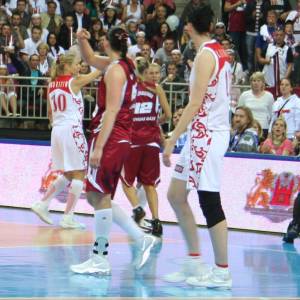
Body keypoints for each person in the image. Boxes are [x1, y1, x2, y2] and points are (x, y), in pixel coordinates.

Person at [70, 27, 158, 275]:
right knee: (98, 196)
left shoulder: (116, 71)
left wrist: (98, 147)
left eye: (102, 39)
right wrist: (80, 40)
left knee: (99, 196)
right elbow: (89, 59)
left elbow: (111, 111)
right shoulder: (122, 63)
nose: (99, 41)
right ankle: (139, 238)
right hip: (118, 137)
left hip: (110, 136)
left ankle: (100, 258)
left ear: (108, 43)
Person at [162, 5, 232, 289]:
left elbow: (195, 102)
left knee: (209, 201)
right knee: (176, 195)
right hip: (201, 133)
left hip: (210, 134)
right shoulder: (216, 50)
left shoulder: (206, 55)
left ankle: (222, 271)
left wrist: (171, 138)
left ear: (188, 25)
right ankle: (194, 260)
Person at [31, 53, 101, 229]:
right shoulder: (74, 82)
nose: (79, 67)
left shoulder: (52, 84)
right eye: (77, 64)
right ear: (67, 66)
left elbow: (49, 113)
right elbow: (98, 71)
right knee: (79, 173)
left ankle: (43, 204)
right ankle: (68, 217)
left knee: (69, 173)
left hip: (57, 130)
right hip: (72, 129)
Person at [121, 57, 171, 237]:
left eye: (156, 72)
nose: (154, 75)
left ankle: (137, 210)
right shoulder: (157, 89)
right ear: (145, 73)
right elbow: (169, 114)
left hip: (133, 141)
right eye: (151, 72)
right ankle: (156, 221)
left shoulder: (130, 89)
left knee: (126, 181)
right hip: (150, 142)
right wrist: (154, 122)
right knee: (150, 185)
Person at [238, 71, 274, 138]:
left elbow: (271, 115)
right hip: (247, 128)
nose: (256, 83)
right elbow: (239, 112)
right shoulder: (244, 95)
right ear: (251, 82)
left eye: (258, 81)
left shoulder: (269, 96)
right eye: (254, 80)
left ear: (263, 83)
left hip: (264, 128)